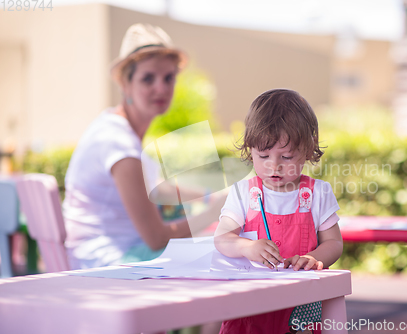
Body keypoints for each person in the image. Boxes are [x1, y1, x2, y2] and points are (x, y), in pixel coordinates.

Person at [63, 23, 225, 270]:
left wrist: (213, 197)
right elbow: (156, 238)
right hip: (108, 264)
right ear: (125, 85)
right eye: (148, 78)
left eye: (169, 78)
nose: (161, 88)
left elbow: (161, 190)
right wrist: (216, 211)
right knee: (226, 253)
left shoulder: (117, 130)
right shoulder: (117, 142)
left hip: (110, 256)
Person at [214, 89, 343, 334]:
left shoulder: (318, 193)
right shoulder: (243, 193)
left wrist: (316, 258)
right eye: (263, 155)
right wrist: (247, 247)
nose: (274, 165)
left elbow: (334, 242)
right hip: (249, 310)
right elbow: (222, 238)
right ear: (250, 150)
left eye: (286, 156)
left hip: (300, 307)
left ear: (307, 150)